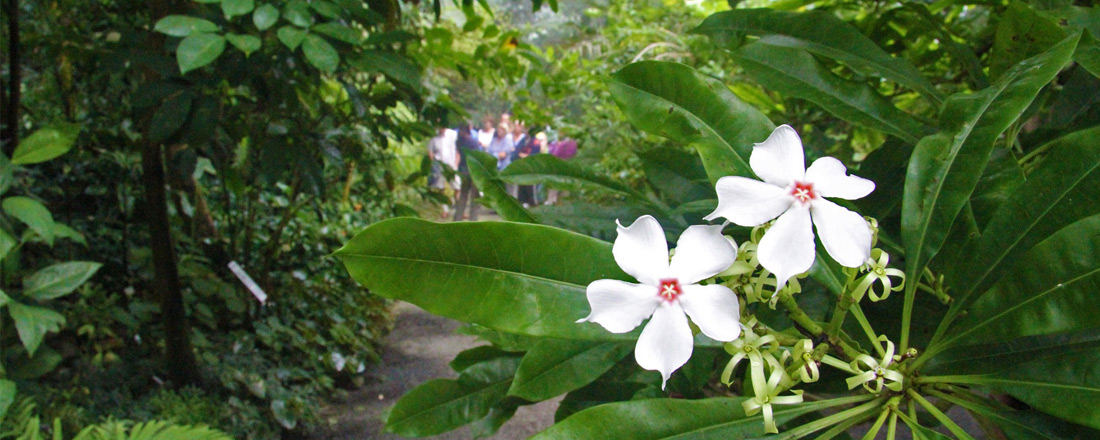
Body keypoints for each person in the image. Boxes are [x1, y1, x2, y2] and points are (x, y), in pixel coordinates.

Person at [452, 123, 482, 221]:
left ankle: (458, 218)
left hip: (463, 170)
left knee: (463, 196)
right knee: (474, 197)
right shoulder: (473, 142)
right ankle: (473, 219)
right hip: (473, 171)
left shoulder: (458, 142)